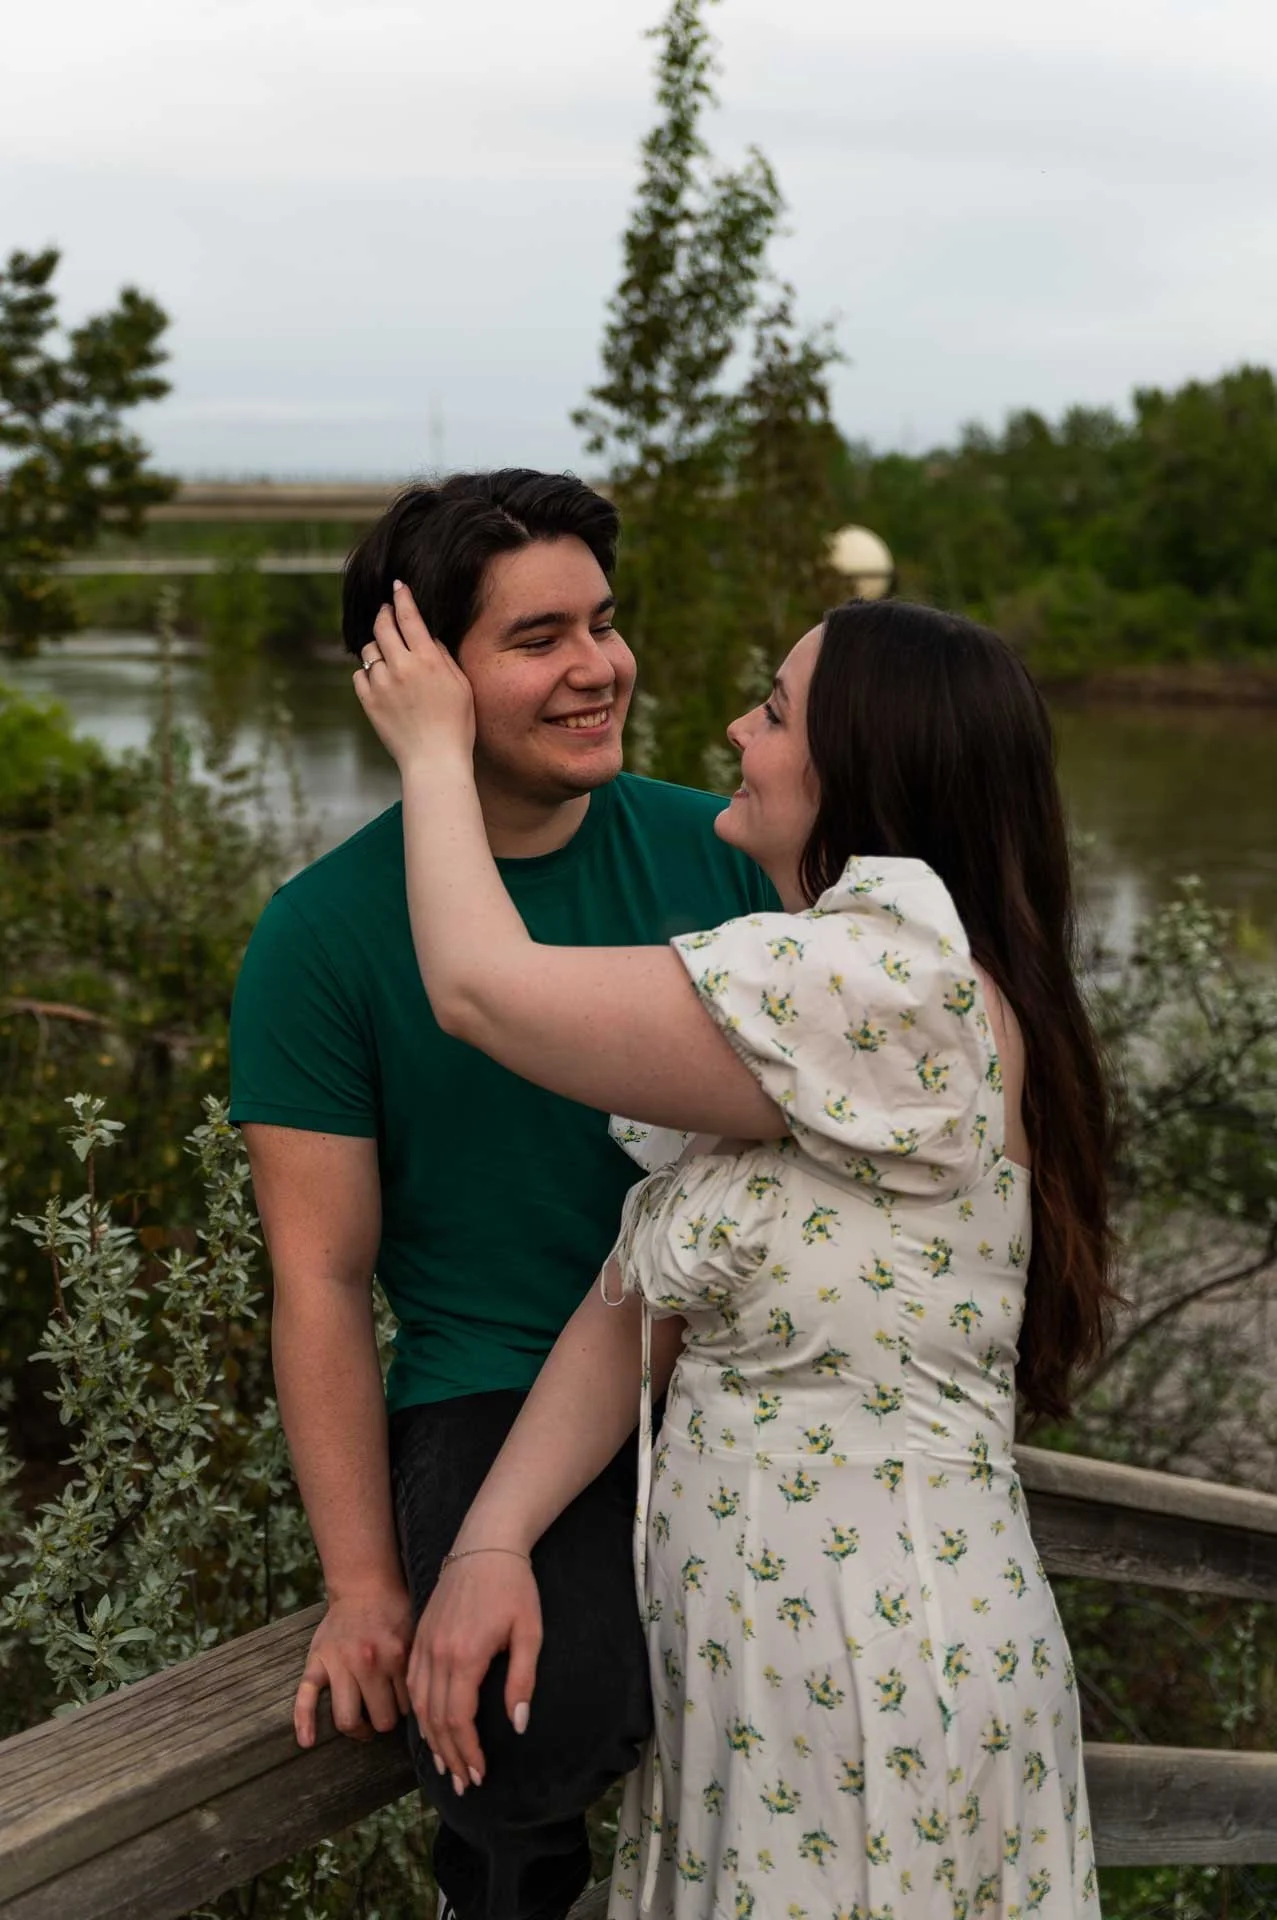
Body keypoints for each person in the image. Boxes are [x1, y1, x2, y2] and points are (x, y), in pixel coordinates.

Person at [352, 585, 1117, 1919]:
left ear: (858, 768)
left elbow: (480, 990)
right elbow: (635, 1306)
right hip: (751, 1677)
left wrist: (430, 751)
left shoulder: (890, 990)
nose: (736, 733)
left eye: (773, 711)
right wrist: (490, 1544)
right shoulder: (819, 1013)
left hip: (879, 1663)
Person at [228, 469, 777, 1920]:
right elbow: (321, 1279)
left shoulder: (723, 855)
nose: (598, 667)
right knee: (520, 1725)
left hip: (733, 1363)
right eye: (539, 638)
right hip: (495, 1376)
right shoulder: (319, 935)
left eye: (603, 622)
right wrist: (363, 1584)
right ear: (415, 675)